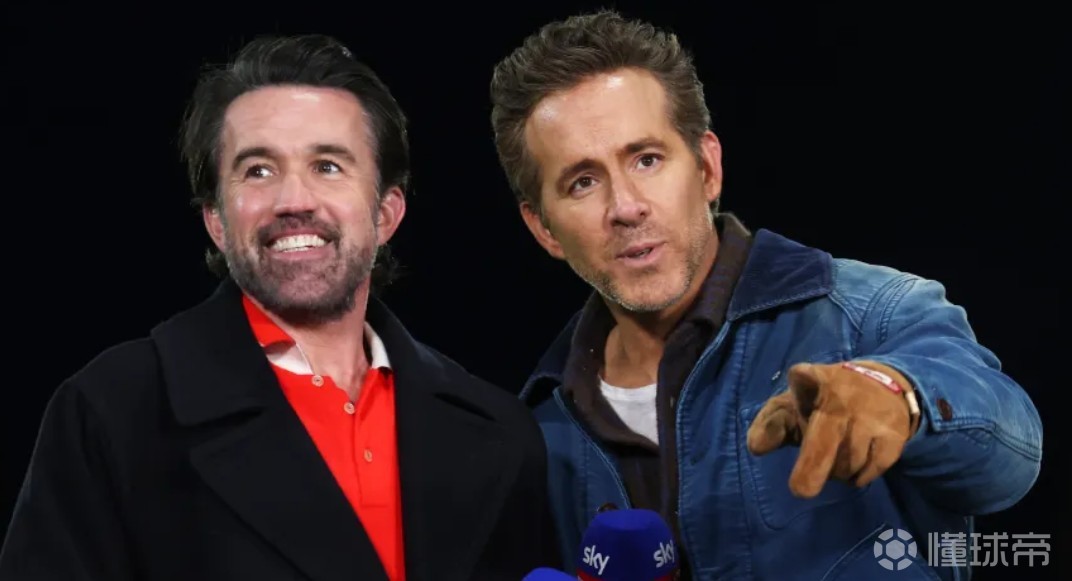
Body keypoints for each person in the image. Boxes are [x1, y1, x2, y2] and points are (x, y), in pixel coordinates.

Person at [489, 10, 1042, 580]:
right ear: (543, 228)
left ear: (707, 168)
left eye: (647, 160)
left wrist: (899, 395)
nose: (625, 206)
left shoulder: (868, 313)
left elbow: (1009, 460)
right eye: (582, 182)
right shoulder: (537, 430)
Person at [0, 34, 558, 581]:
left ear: (386, 213)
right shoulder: (110, 413)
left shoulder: (501, 431)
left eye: (328, 166)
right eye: (258, 170)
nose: (293, 201)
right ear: (217, 221)